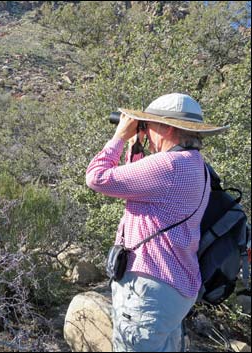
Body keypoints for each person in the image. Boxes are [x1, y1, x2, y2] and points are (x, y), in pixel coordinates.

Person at [85, 93, 229, 352]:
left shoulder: (169, 165)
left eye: (149, 125)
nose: (146, 130)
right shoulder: (195, 165)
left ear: (168, 128)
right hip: (175, 287)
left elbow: (97, 178)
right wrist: (137, 145)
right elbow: (140, 187)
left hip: (150, 290)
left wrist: (118, 137)